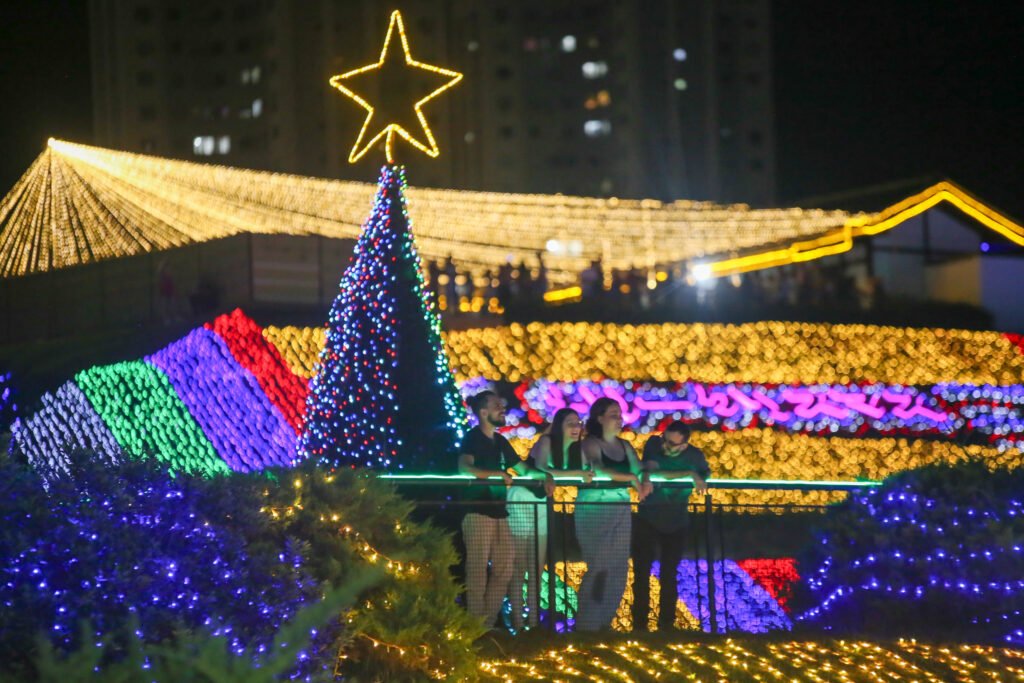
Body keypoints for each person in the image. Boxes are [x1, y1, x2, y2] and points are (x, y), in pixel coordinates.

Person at [458, 390, 553, 631]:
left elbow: (523, 470)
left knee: (505, 568)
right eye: (496, 405)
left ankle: (486, 624)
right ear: (483, 412)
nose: (502, 408)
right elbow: (464, 468)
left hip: (500, 512)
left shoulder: (501, 441)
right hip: (478, 510)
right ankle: (474, 627)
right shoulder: (472, 438)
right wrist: (496, 474)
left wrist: (546, 476)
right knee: (477, 570)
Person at [507, 408, 593, 631]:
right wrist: (577, 474)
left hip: (544, 503)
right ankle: (517, 621)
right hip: (522, 498)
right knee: (519, 566)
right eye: (570, 423)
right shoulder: (546, 442)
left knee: (537, 565)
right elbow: (543, 470)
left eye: (578, 423)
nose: (576, 427)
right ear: (558, 426)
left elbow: (588, 471)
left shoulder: (578, 450)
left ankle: (534, 622)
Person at [575, 397, 649, 631]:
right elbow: (598, 468)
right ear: (599, 418)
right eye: (613, 415)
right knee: (600, 565)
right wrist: (632, 479)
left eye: (620, 415)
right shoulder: (590, 443)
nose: (619, 419)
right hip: (595, 507)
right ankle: (587, 624)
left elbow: (640, 469)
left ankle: (604, 622)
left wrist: (645, 480)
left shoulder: (625, 446)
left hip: (620, 507)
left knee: (618, 567)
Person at [632, 421, 710, 632]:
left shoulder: (695, 456)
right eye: (665, 440)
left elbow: (705, 475)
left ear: (684, 445)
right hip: (648, 518)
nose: (665, 446)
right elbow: (651, 472)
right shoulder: (653, 444)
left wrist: (695, 475)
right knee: (641, 572)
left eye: (672, 445)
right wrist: (689, 474)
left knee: (669, 574)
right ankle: (639, 624)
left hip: (677, 521)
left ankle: (666, 624)